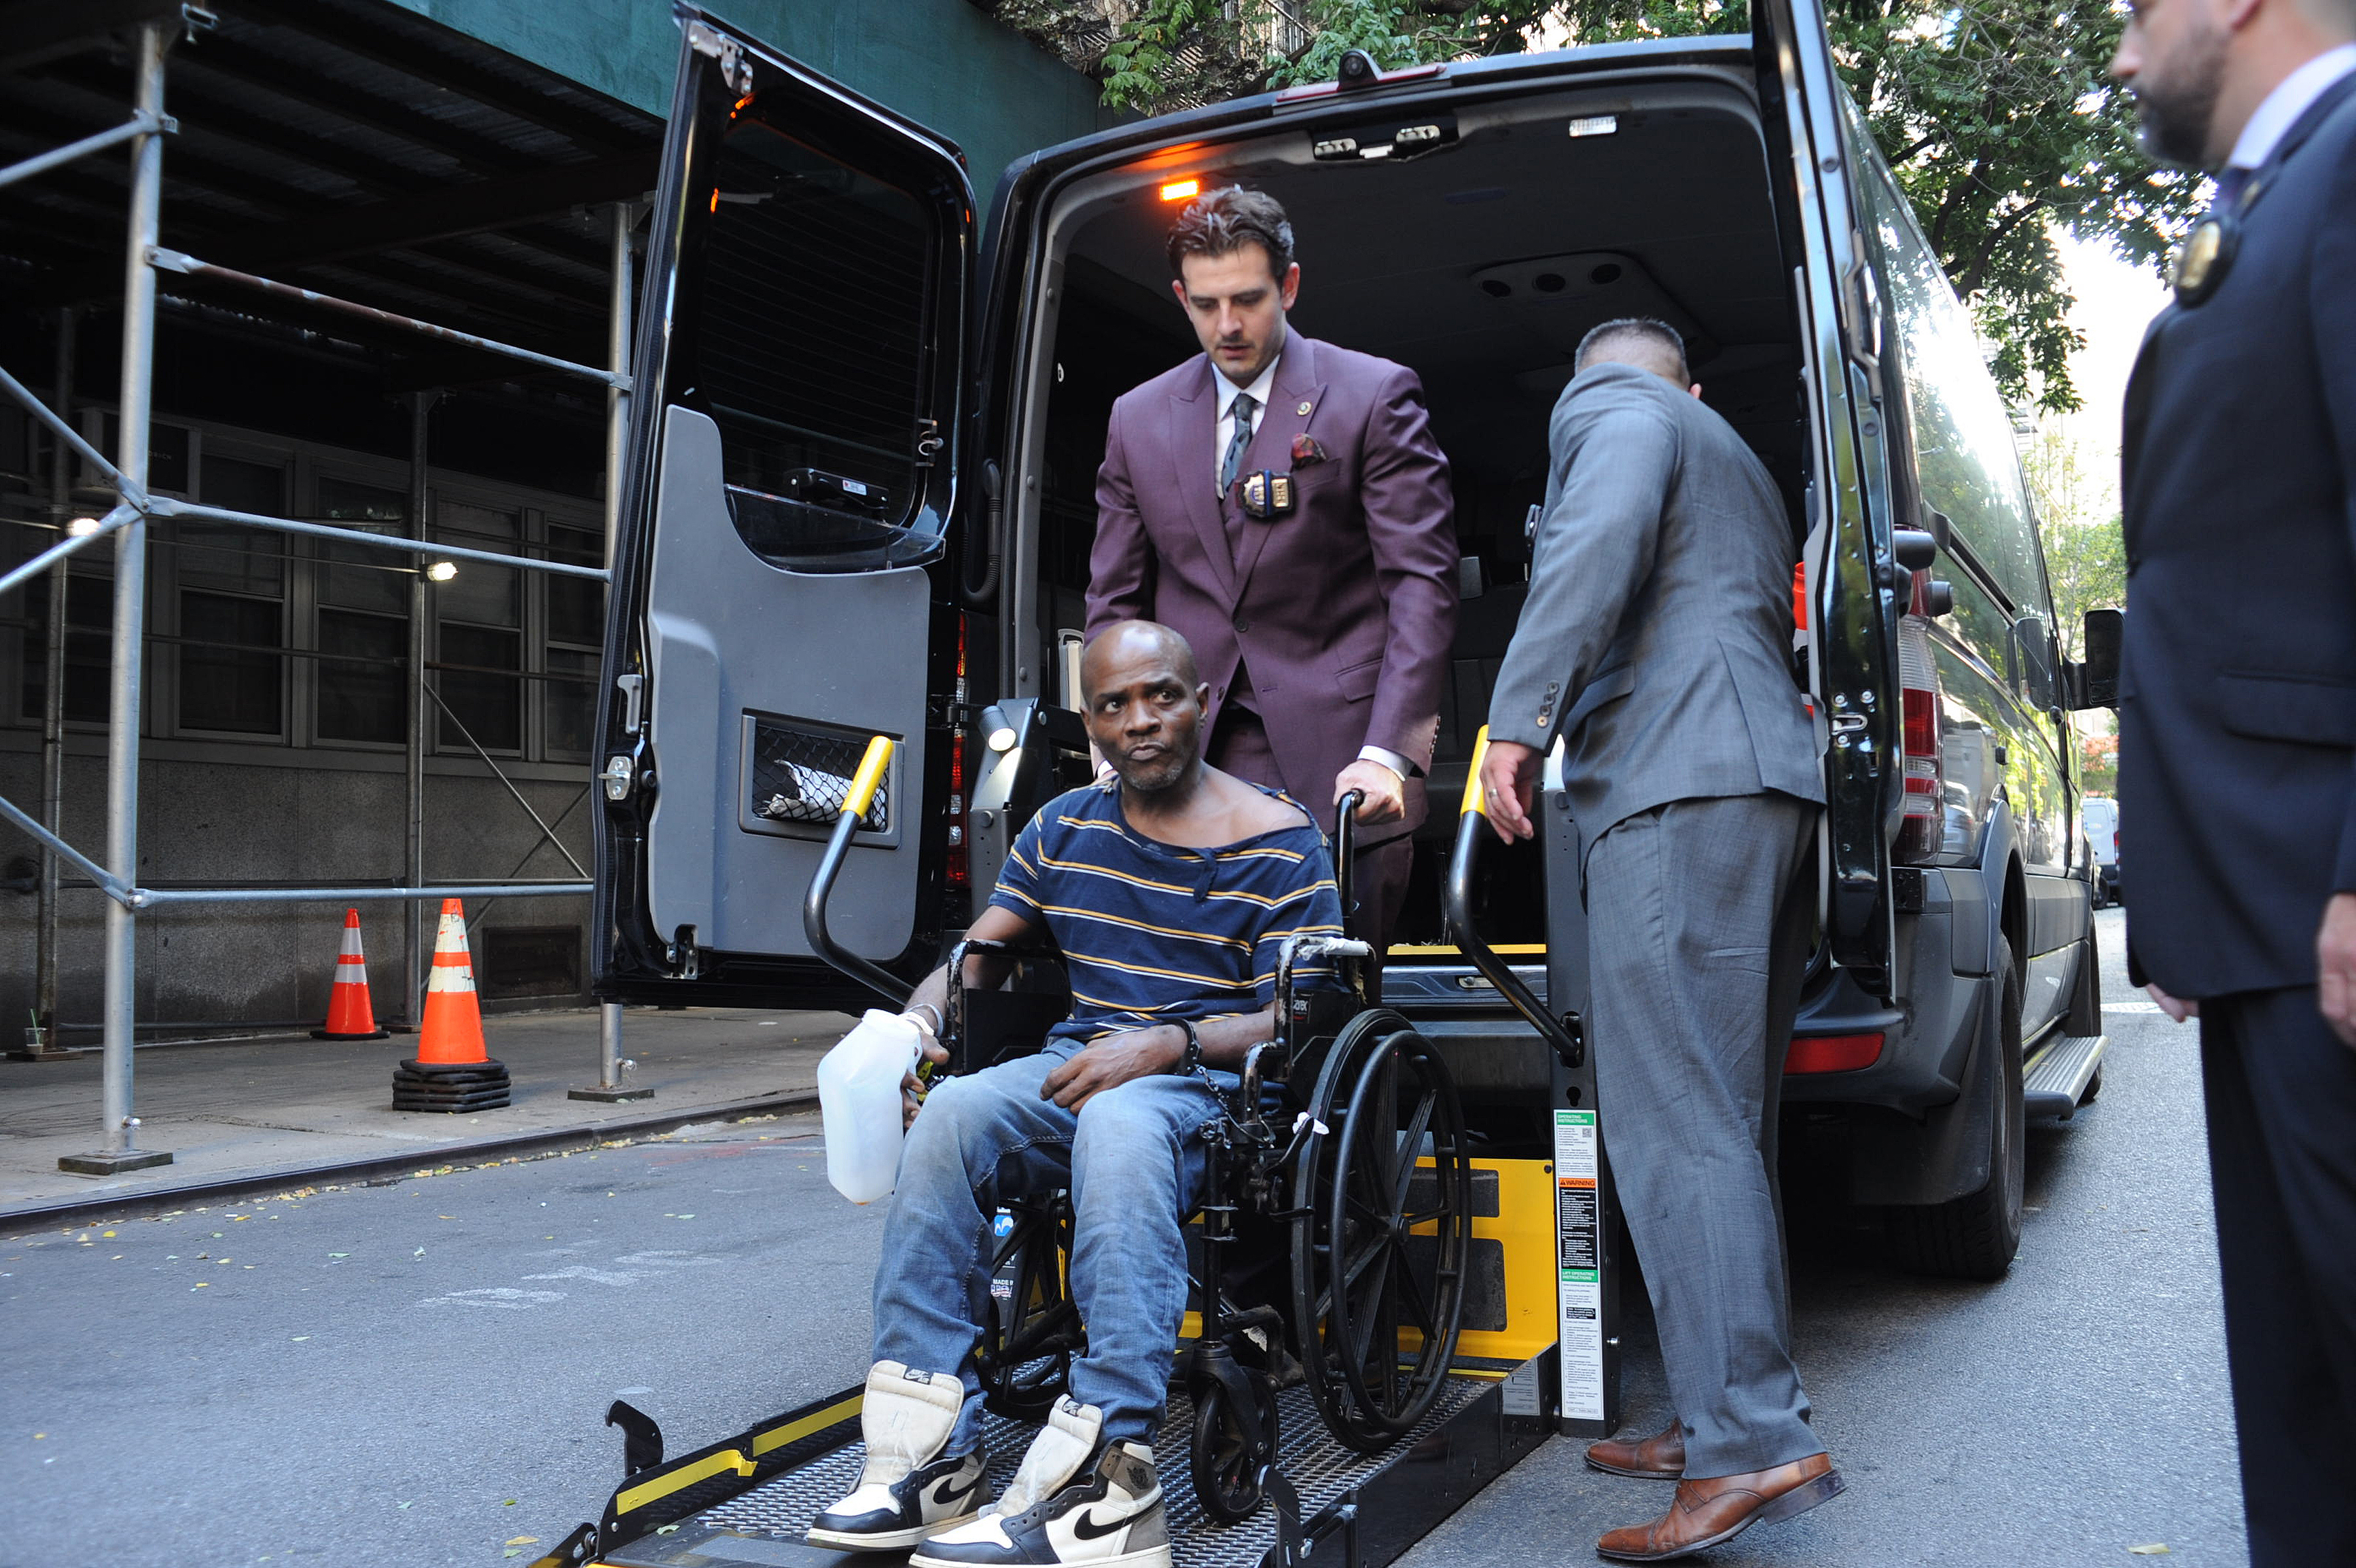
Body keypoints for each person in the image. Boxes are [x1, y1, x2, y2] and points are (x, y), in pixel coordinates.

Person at [808, 620, 1346, 1568]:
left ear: (1201, 700)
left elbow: (1297, 1016)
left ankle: (1111, 1474)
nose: (1140, 721)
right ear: (1091, 722)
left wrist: (1166, 1044)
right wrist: (917, 1031)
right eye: (1114, 705)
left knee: (1125, 1124)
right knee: (953, 1114)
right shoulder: (1064, 828)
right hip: (1075, 1070)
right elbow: (979, 950)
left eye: (1161, 696)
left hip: (1209, 1089)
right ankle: (928, 1451)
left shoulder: (1279, 838)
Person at [1475, 319, 1836, 1562]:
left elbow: (1595, 541)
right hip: (1762, 779)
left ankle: (1747, 1443)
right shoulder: (1731, 445)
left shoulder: (1610, 411)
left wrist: (1515, 719)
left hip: (1677, 783)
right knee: (1723, 1122)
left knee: (1675, 1119)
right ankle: (1712, 1413)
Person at [2109, 0, 2356, 1556]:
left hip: (2320, 889)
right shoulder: (2271, 200)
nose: (2123, 54)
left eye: (2138, 11)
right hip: (2262, 898)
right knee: (2306, 1385)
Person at [1085, 185, 1455, 962]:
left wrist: (1391, 751)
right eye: (1208, 303)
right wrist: (1113, 728)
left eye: (1249, 300)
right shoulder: (1136, 418)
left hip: (1346, 758)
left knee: (1334, 1023)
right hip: (1192, 752)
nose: (1228, 326)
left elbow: (1420, 583)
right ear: (1183, 297)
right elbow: (1115, 598)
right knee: (1192, 1008)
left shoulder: (1372, 394)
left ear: (1288, 286)